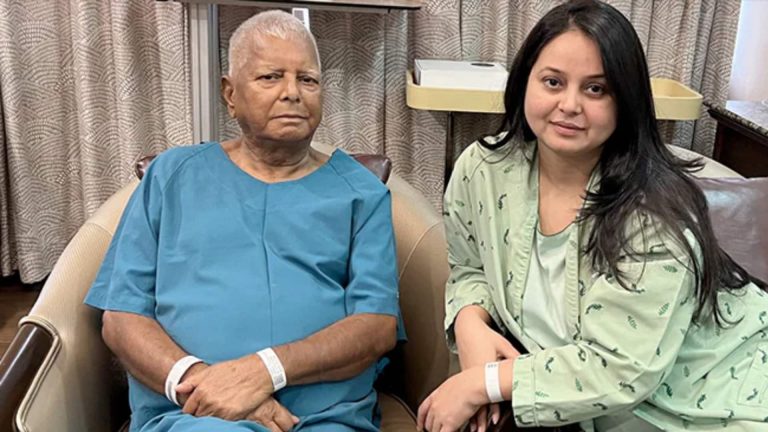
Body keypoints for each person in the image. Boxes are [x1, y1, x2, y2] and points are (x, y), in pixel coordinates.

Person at [417, 1, 768, 431]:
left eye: (596, 89)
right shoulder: (483, 170)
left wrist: (485, 383)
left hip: (721, 403)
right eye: (553, 82)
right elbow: (470, 265)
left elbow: (620, 367)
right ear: (524, 81)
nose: (569, 104)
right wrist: (470, 322)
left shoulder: (654, 217)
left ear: (626, 102)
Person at [85, 10, 403, 432]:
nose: (292, 93)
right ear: (230, 94)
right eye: (271, 77)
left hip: (326, 417)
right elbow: (122, 317)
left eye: (308, 79)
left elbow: (376, 326)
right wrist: (204, 385)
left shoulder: (361, 193)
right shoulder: (171, 177)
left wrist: (264, 370)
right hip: (193, 414)